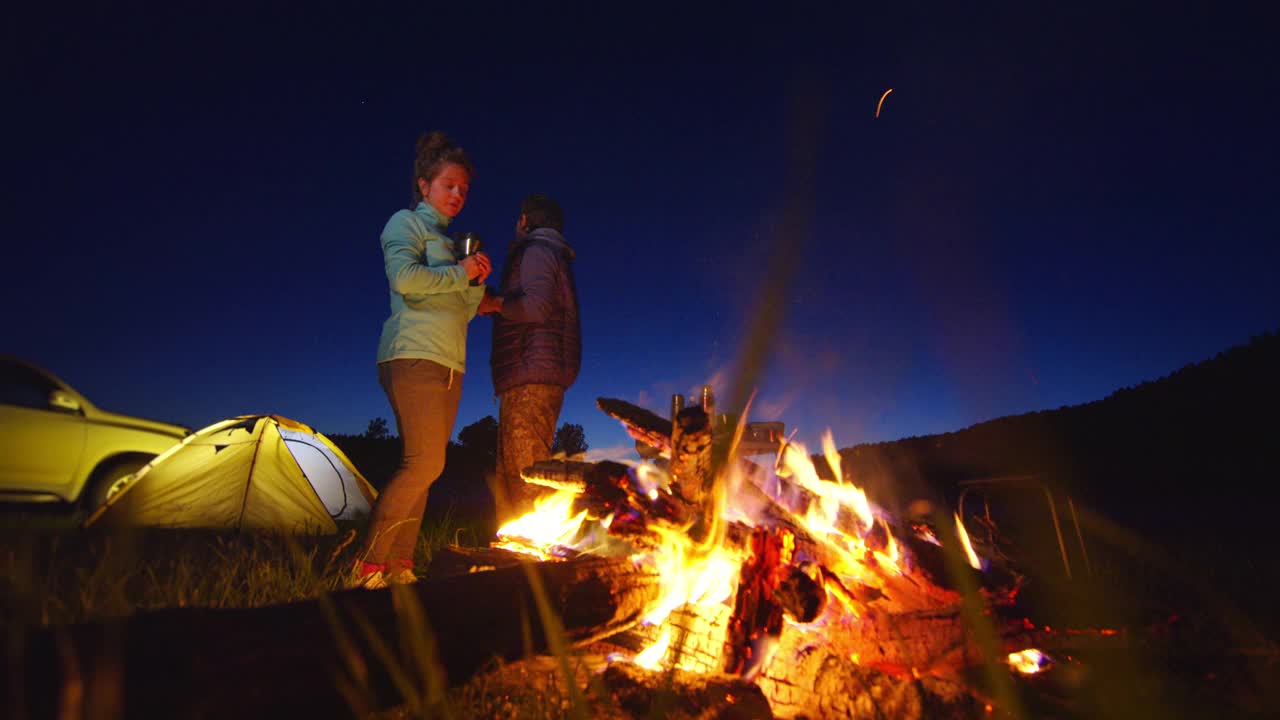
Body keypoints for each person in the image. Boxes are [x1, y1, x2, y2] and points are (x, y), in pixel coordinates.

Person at [351, 131, 491, 589]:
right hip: (412, 354)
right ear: (424, 185)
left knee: (429, 464)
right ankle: (367, 566)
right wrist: (459, 273)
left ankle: (400, 567)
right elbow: (406, 281)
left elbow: (463, 311)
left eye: (464, 189)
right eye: (449, 185)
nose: (457, 195)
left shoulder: (450, 243)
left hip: (448, 362)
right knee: (422, 464)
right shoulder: (405, 224)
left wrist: (474, 284)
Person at [478, 193, 581, 523]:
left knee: (525, 473)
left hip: (531, 370)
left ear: (524, 220)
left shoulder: (535, 250)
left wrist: (495, 305)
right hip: (539, 368)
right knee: (516, 470)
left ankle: (533, 562)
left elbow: (536, 307)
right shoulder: (551, 252)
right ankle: (512, 556)